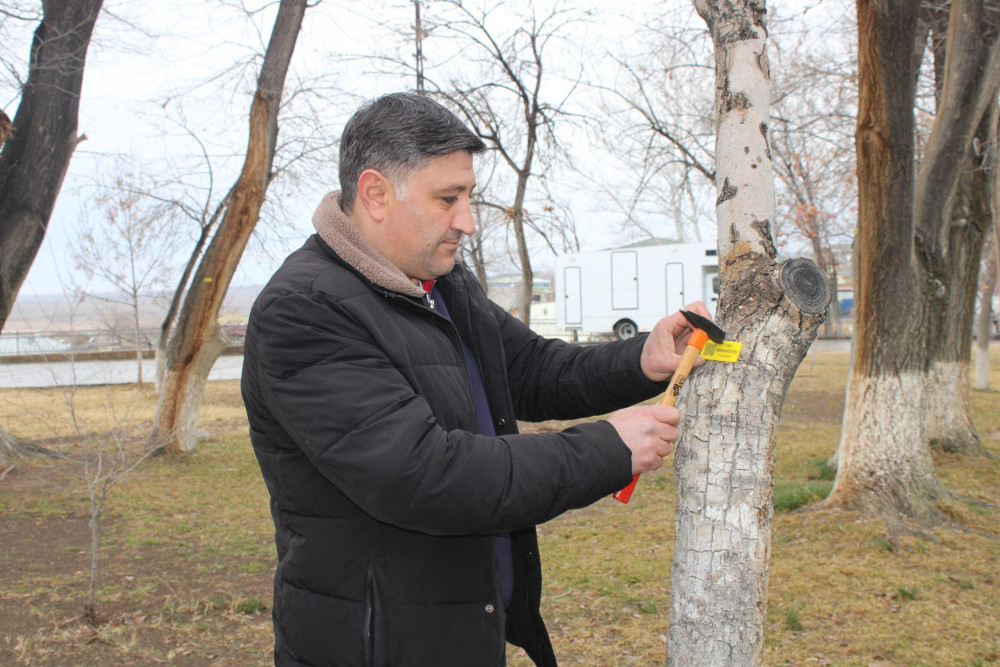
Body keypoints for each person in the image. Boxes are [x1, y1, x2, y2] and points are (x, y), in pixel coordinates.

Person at [241, 92, 713, 667]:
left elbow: (532, 369)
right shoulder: (306, 309)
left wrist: (644, 359)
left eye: (468, 196)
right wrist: (607, 448)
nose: (466, 221)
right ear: (375, 194)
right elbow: (425, 476)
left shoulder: (439, 282)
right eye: (448, 199)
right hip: (372, 645)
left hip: (460, 626)